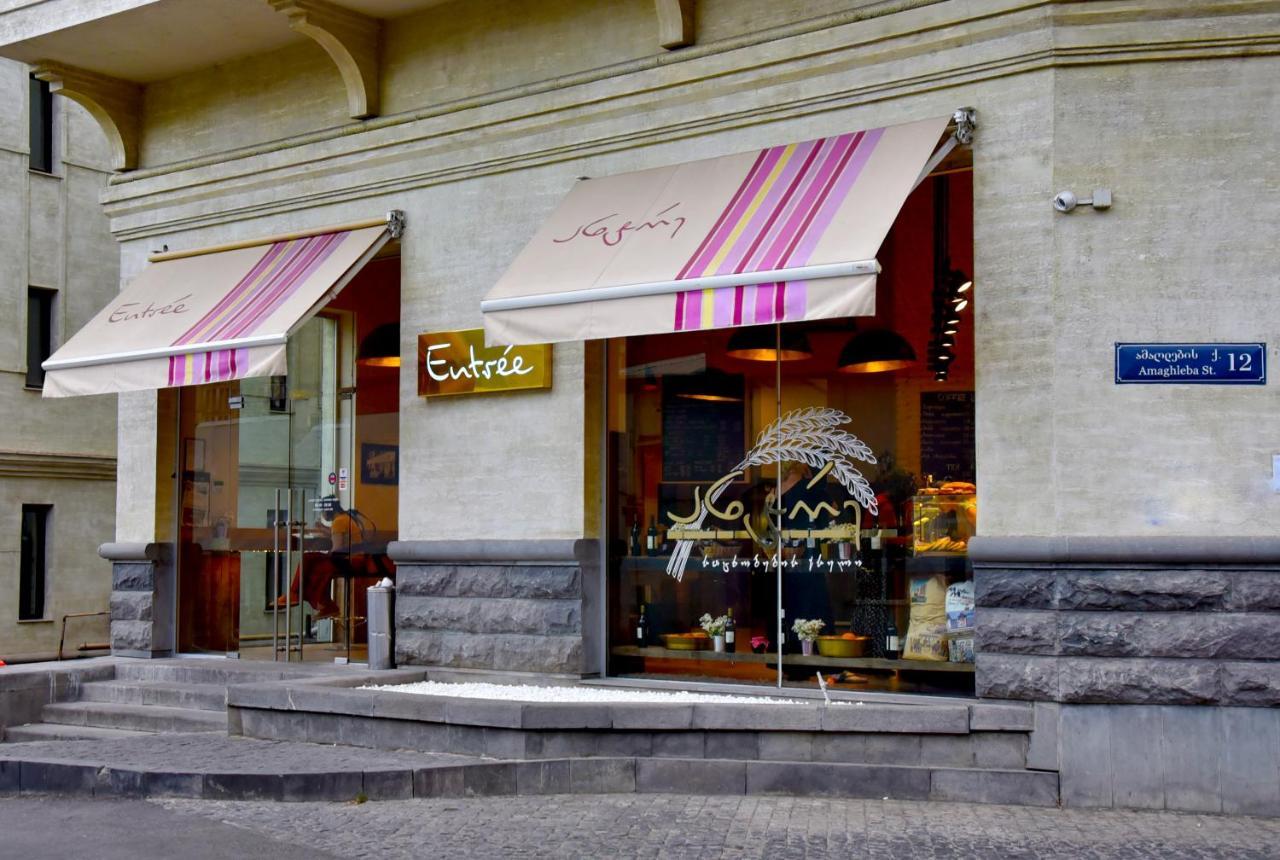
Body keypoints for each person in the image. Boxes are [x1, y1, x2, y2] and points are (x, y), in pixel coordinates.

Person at [273, 495, 368, 620]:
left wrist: (323, 556)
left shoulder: (339, 521)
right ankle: (318, 602)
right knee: (311, 561)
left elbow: (337, 549)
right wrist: (324, 530)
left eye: (323, 510)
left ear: (329, 509)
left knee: (311, 562)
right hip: (354, 559)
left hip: (349, 561)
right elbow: (340, 537)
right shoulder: (344, 518)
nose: (322, 514)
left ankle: (298, 595)